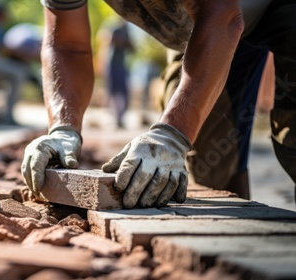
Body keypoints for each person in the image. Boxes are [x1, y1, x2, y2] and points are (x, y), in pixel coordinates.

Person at [21, 0, 296, 208]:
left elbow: (224, 18)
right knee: (212, 163)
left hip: (275, 10)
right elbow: (68, 45)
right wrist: (63, 128)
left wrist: (172, 134)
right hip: (197, 32)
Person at [102, 19, 134, 128]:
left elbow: (132, 47)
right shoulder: (116, 30)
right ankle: (116, 117)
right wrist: (123, 41)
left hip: (121, 65)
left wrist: (125, 41)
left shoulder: (126, 32)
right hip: (113, 65)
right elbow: (112, 41)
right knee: (113, 91)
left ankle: (120, 117)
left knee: (123, 91)